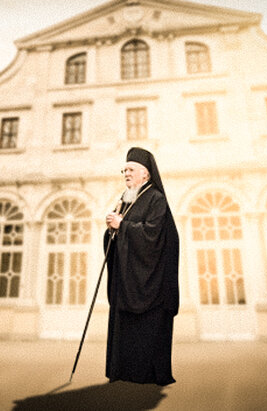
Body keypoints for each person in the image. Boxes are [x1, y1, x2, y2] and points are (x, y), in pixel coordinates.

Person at [104, 147, 180, 386]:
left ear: (145, 174)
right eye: (124, 170)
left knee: (148, 333)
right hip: (127, 282)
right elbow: (121, 233)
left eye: (130, 169)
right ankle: (124, 372)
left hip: (151, 284)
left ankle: (147, 375)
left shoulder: (156, 198)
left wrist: (123, 226)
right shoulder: (127, 199)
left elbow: (153, 235)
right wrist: (111, 232)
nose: (125, 173)